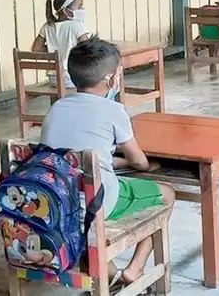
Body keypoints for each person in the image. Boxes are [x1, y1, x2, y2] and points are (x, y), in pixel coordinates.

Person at [40, 38, 174, 288]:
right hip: (95, 204)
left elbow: (82, 156)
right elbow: (139, 161)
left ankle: (109, 275)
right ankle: (135, 269)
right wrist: (147, 166)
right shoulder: (113, 111)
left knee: (97, 193)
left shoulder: (57, 107)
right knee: (166, 194)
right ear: (112, 79)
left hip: (55, 201)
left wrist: (117, 163)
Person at [31, 0, 92, 89]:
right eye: (79, 7)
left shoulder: (47, 26)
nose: (82, 9)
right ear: (65, 10)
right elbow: (88, 50)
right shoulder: (76, 26)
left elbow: (36, 49)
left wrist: (55, 49)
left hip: (53, 79)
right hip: (72, 78)